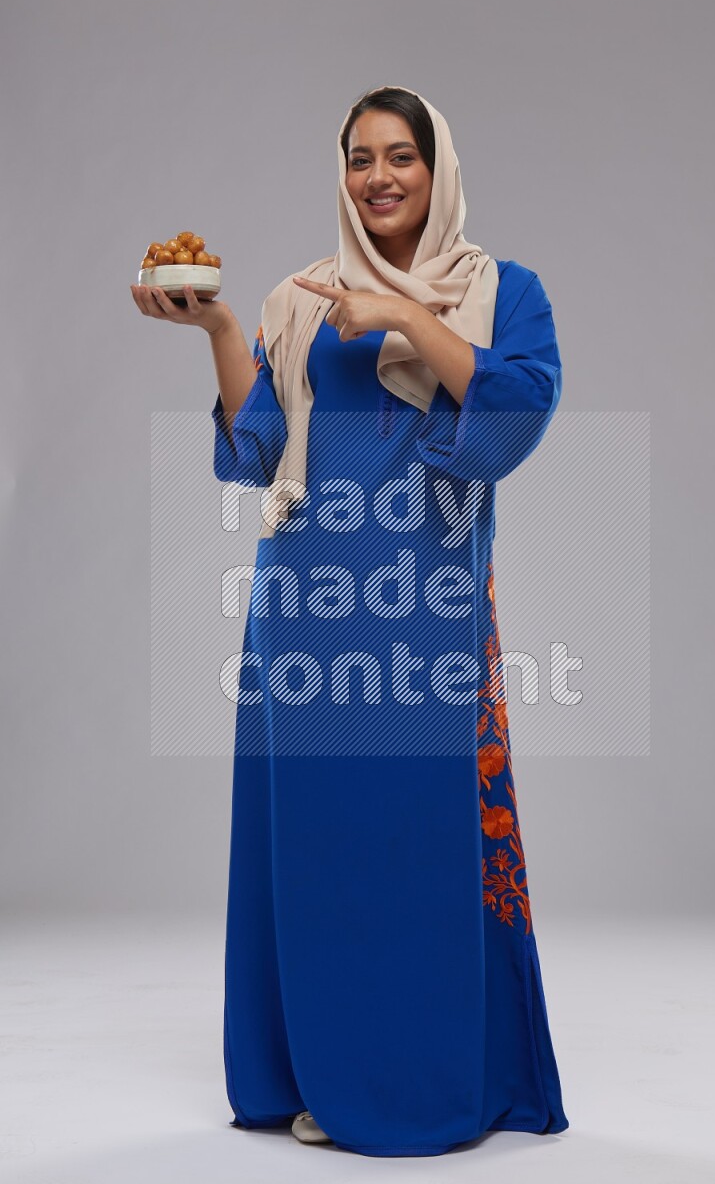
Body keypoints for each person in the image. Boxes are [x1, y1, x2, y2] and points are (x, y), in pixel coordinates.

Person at [130, 84, 569, 1159]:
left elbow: (515, 409)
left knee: (411, 840)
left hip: (423, 604)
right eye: (359, 158)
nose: (377, 176)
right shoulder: (299, 296)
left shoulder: (500, 290)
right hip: (304, 609)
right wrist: (224, 326)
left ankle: (415, 1079)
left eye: (399, 156)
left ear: (438, 167)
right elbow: (251, 450)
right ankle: (318, 1068)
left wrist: (409, 319)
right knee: (319, 842)